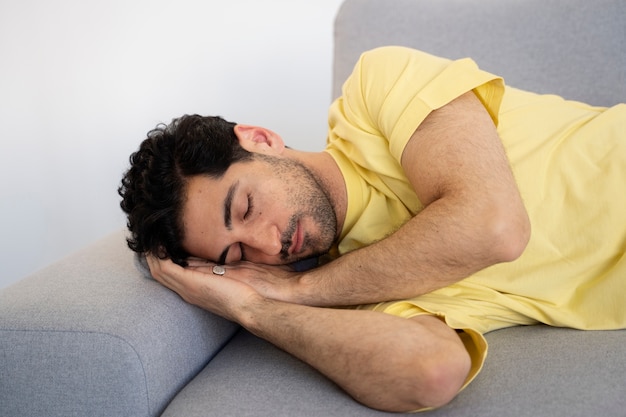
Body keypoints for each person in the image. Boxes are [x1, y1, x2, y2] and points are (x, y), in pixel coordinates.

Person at [119, 46, 626, 413]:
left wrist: (299, 289)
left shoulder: (375, 89)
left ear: (260, 140)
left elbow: (494, 226)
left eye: (248, 208)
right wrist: (252, 309)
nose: (270, 246)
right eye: (236, 255)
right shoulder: (360, 289)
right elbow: (428, 371)